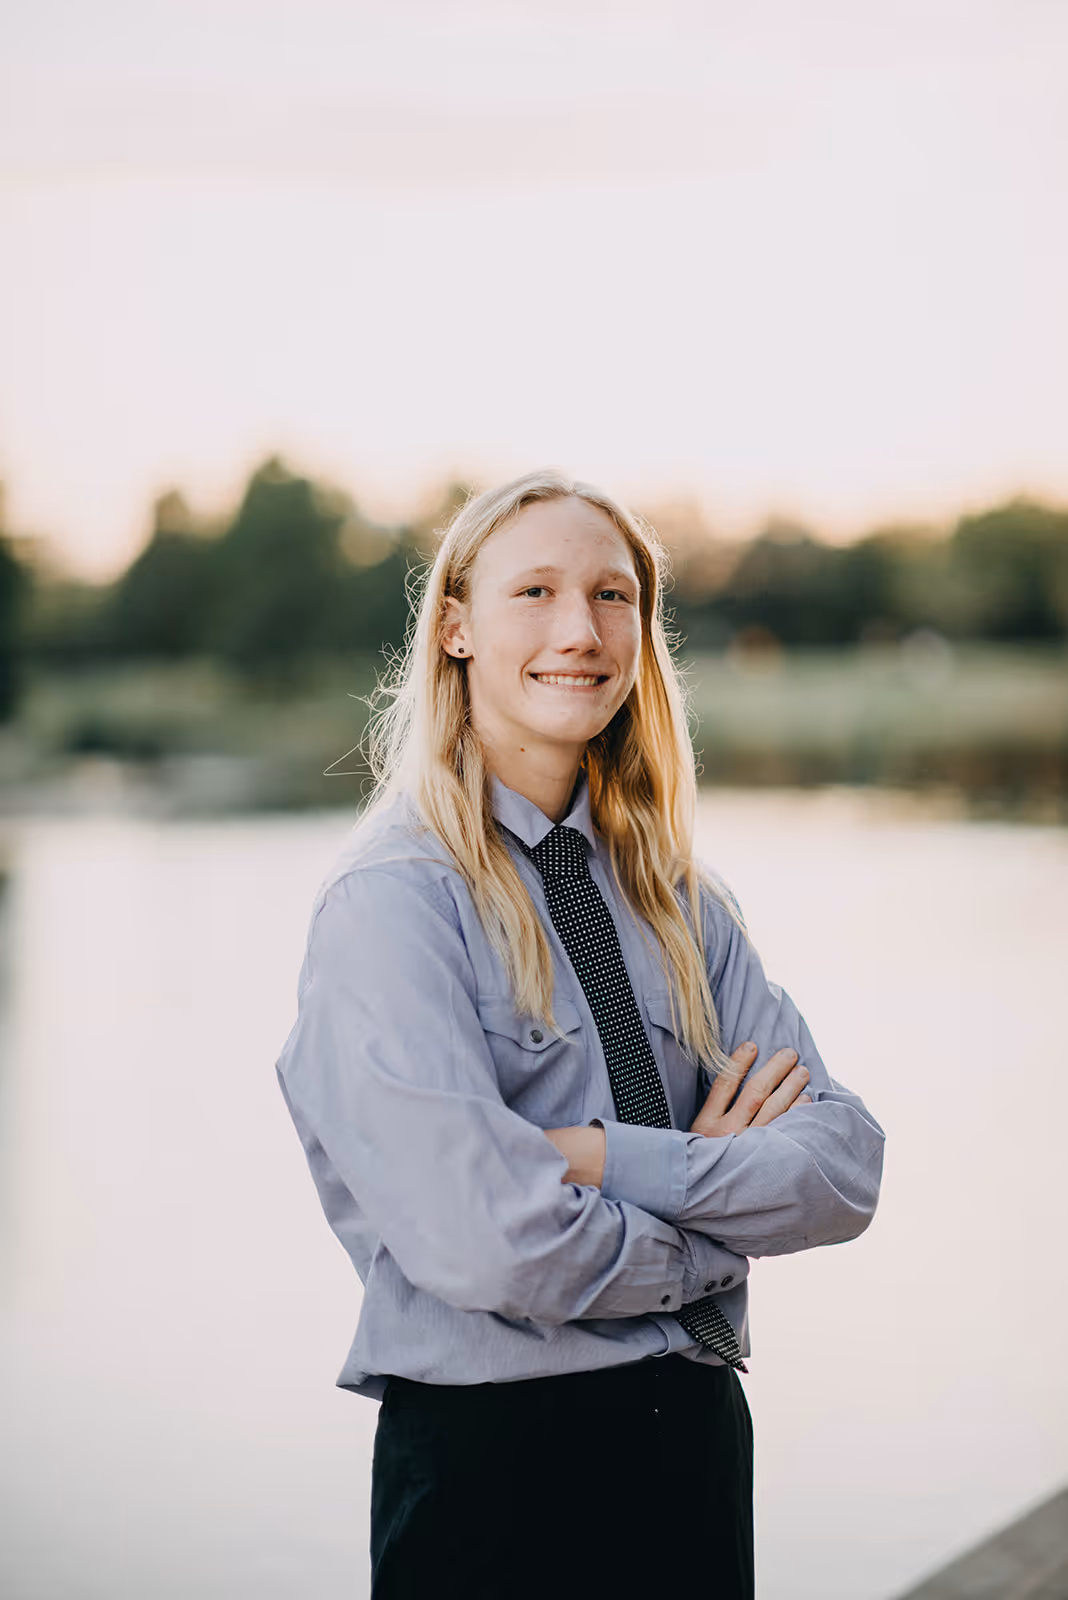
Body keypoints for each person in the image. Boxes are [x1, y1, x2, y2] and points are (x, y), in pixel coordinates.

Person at [274, 469, 885, 1599]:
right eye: (536, 591)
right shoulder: (394, 904)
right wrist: (708, 1244)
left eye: (614, 596)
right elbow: (483, 1239)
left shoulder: (680, 900)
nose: (581, 630)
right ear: (454, 627)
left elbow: (844, 1165)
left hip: (695, 1441)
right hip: (496, 1470)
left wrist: (603, 1159)